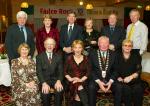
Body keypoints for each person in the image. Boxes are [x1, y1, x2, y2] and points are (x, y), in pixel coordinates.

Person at [112, 39, 144, 106]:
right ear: (122, 47)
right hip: (122, 79)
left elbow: (139, 69)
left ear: (132, 47)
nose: (127, 47)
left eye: (129, 46)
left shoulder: (136, 55)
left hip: (133, 78)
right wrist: (118, 77)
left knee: (138, 88)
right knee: (126, 89)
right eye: (125, 45)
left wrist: (131, 77)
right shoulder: (117, 55)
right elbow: (114, 68)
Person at [88, 36, 116, 106]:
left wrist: (110, 81)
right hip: (97, 79)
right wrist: (99, 82)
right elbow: (90, 69)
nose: (103, 45)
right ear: (98, 44)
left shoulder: (114, 54)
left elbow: (116, 70)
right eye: (101, 43)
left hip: (110, 79)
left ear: (108, 44)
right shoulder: (92, 53)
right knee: (91, 87)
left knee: (119, 87)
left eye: (106, 43)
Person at [36, 37, 63, 106]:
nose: (49, 46)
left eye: (51, 44)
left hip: (56, 80)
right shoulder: (39, 57)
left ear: (54, 46)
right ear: (44, 45)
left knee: (59, 90)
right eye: (47, 44)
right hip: (45, 80)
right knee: (45, 92)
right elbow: (39, 72)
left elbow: (61, 71)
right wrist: (43, 83)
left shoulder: (58, 56)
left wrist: (59, 80)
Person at [64, 40, 90, 106]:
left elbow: (88, 72)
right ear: (72, 49)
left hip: (83, 80)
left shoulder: (86, 58)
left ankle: (77, 100)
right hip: (71, 80)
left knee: (79, 86)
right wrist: (71, 79)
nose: (77, 50)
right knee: (78, 86)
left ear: (82, 48)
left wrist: (81, 80)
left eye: (79, 47)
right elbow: (64, 71)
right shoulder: (69, 58)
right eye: (75, 47)